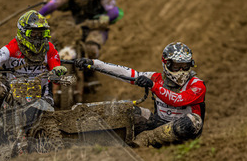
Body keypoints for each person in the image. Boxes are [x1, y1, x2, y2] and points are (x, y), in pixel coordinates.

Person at [75, 42, 206, 147]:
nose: (181, 71)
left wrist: (153, 86)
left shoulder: (197, 85)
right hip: (159, 124)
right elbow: (128, 74)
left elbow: (178, 100)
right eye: (177, 66)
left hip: (185, 132)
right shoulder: (156, 78)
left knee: (194, 120)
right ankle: (103, 140)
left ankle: (146, 138)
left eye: (185, 66)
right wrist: (94, 64)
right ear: (167, 64)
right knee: (129, 111)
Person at [0, 10, 67, 138]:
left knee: (51, 116)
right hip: (13, 89)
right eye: (34, 34)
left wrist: (57, 70)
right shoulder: (12, 48)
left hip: (41, 91)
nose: (38, 38)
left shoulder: (49, 48)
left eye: (41, 34)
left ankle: (49, 140)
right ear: (23, 33)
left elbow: (55, 63)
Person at [39, 0, 121, 62]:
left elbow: (114, 12)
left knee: (91, 49)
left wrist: (103, 19)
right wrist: (38, 16)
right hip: (76, 22)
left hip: (95, 26)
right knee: (55, 39)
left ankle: (91, 70)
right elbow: (53, 4)